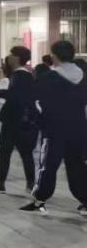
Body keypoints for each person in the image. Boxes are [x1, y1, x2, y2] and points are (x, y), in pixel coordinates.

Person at [22, 40, 87, 216]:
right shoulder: (84, 77)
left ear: (54, 56)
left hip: (54, 130)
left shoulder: (49, 78)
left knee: (48, 166)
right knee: (77, 166)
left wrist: (40, 122)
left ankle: (40, 201)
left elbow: (37, 103)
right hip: (79, 129)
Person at [0, 47, 37, 195]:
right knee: (14, 153)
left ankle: (21, 184)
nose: (9, 57)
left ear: (18, 58)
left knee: (16, 153)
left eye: (12, 55)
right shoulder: (20, 75)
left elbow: (19, 97)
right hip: (17, 120)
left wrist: (1, 93)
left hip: (16, 121)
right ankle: (4, 183)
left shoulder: (22, 75)